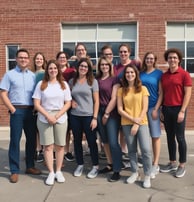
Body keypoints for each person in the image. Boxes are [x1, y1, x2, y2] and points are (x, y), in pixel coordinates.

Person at [0, 48, 41, 183]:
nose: (23, 59)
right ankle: (14, 170)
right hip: (17, 111)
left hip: (31, 112)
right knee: (15, 141)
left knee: (31, 140)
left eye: (25, 57)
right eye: (20, 57)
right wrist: (12, 109)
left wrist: (36, 108)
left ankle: (30, 166)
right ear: (16, 59)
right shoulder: (9, 75)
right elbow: (3, 93)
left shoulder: (33, 76)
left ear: (29, 60)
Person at [32, 59, 72, 185]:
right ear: (47, 70)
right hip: (44, 117)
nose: (53, 70)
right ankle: (50, 172)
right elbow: (36, 104)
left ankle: (58, 171)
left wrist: (57, 115)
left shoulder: (64, 84)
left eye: (55, 68)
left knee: (60, 146)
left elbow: (68, 103)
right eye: (50, 68)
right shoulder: (41, 84)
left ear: (58, 70)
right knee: (48, 146)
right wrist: (48, 116)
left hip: (60, 116)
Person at [117, 64, 152, 188]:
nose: (130, 74)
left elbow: (145, 108)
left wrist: (137, 123)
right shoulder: (121, 90)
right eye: (127, 73)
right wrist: (132, 120)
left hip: (142, 123)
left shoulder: (143, 89)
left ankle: (147, 175)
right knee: (131, 150)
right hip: (126, 123)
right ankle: (134, 172)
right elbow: (120, 109)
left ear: (136, 74)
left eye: (132, 72)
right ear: (124, 75)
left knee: (146, 149)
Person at [160, 48, 192, 178]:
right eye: (170, 57)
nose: (172, 59)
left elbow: (188, 94)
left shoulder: (184, 74)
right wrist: (162, 109)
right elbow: (162, 94)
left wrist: (182, 111)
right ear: (167, 60)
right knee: (169, 137)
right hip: (167, 109)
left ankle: (182, 165)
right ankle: (172, 162)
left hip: (179, 109)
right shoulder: (164, 75)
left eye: (174, 57)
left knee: (180, 138)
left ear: (179, 60)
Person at [69, 57, 99, 179]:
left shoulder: (93, 82)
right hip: (75, 116)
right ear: (77, 67)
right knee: (76, 141)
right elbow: (67, 96)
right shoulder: (72, 81)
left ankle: (95, 166)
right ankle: (80, 164)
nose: (83, 68)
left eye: (86, 67)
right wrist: (71, 101)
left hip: (88, 116)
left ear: (89, 69)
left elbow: (96, 101)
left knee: (92, 142)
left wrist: (95, 118)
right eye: (81, 66)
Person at [96, 56, 122, 182]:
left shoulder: (114, 79)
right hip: (99, 110)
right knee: (104, 141)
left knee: (113, 142)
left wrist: (106, 113)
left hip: (110, 112)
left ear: (110, 66)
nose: (104, 67)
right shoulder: (97, 79)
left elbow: (115, 98)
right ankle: (110, 164)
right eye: (102, 65)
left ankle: (117, 170)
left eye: (106, 65)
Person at [140, 52, 163, 179]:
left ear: (154, 60)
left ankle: (155, 164)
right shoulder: (140, 74)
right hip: (142, 109)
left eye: (151, 58)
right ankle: (146, 162)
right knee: (143, 136)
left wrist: (156, 109)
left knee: (155, 136)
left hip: (153, 108)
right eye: (147, 58)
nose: (149, 60)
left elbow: (161, 93)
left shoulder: (159, 74)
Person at [56, 51, 76, 162]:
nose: (62, 59)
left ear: (67, 59)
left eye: (64, 57)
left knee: (67, 129)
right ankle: (56, 151)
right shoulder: (54, 70)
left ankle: (67, 151)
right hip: (56, 104)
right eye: (60, 57)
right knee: (56, 128)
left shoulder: (72, 72)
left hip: (68, 103)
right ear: (57, 59)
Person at [33, 52, 47, 163]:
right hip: (32, 103)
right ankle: (38, 149)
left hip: (42, 104)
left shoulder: (44, 73)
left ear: (43, 61)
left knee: (42, 128)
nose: (39, 60)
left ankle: (43, 150)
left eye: (41, 59)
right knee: (36, 130)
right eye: (37, 59)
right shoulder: (31, 73)